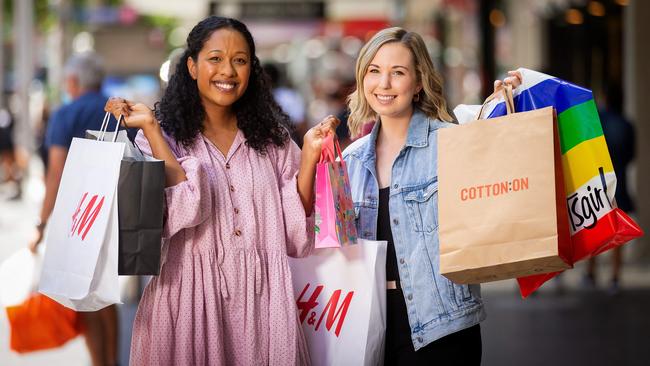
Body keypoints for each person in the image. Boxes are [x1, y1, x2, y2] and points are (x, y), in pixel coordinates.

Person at [105, 16, 335, 365]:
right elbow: (178, 213)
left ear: (251, 70)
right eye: (215, 58)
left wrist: (309, 158)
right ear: (192, 66)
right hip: (187, 299)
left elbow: (295, 236)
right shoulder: (159, 136)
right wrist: (152, 130)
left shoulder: (273, 140)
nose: (227, 71)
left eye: (239, 60)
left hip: (264, 303)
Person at [332, 27, 521, 364]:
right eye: (374, 71)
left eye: (398, 72)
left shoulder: (451, 142)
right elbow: (335, 246)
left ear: (418, 82)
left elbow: (500, 197)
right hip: (367, 323)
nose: (384, 84)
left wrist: (505, 115)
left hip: (442, 324)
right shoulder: (349, 161)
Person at [28, 52, 118, 366]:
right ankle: (112, 359)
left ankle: (101, 363)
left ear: (73, 82)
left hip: (80, 220)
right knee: (107, 294)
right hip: (117, 215)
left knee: (86, 296)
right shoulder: (120, 111)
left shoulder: (66, 114)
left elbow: (56, 173)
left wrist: (41, 225)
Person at [585, 85, 636, 294]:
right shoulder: (627, 124)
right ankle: (615, 275)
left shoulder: (598, 120)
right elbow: (632, 155)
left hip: (598, 180)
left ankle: (591, 272)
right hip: (620, 180)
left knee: (596, 227)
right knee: (618, 230)